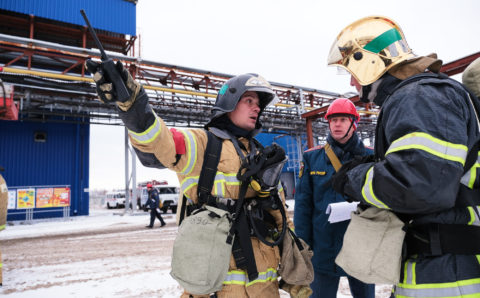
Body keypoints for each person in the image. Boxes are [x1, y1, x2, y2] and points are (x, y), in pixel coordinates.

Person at [84, 58, 307, 297]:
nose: (256, 108)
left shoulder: (261, 155)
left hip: (265, 289)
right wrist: (134, 106)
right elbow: (162, 143)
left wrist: (297, 274)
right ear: (229, 102)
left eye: (259, 104)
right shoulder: (203, 144)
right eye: (249, 101)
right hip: (215, 288)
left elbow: (280, 218)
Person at [327, 16, 480, 297]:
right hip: (439, 264)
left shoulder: (419, 97)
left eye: (351, 69)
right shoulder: (424, 96)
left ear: (369, 61)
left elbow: (418, 186)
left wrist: (353, 178)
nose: (351, 80)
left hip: (446, 277)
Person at [294, 98, 375, 298]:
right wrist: (303, 246)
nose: (337, 124)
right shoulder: (312, 158)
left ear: (353, 124)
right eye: (333, 120)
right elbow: (303, 206)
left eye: (342, 120)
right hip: (323, 248)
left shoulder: (371, 157)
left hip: (360, 246)